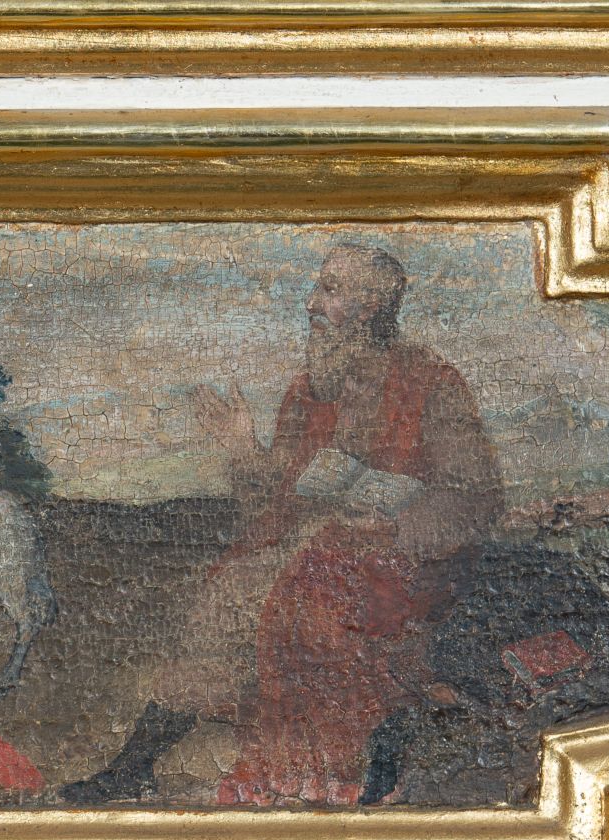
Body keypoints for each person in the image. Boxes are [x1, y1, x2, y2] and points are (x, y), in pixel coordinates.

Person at [143, 243, 502, 806]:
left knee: (307, 604)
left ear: (371, 306)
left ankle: (351, 766)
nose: (311, 303)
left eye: (330, 290)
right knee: (228, 591)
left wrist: (392, 525)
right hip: (317, 547)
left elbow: (474, 496)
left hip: (406, 561)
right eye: (317, 287)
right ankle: (136, 762)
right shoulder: (308, 391)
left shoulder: (431, 382)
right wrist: (242, 451)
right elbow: (273, 505)